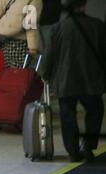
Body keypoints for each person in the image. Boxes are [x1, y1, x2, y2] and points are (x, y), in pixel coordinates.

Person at [43, 0, 106, 162]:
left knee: (68, 115)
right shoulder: (97, 26)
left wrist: (45, 74)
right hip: (91, 81)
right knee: (95, 111)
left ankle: (73, 151)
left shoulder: (58, 28)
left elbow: (49, 55)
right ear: (84, 6)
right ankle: (88, 146)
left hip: (65, 81)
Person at [0, 0, 43, 68]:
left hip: (5, 40)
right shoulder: (35, 1)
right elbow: (30, 25)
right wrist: (33, 47)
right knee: (21, 73)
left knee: (10, 71)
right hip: (20, 43)